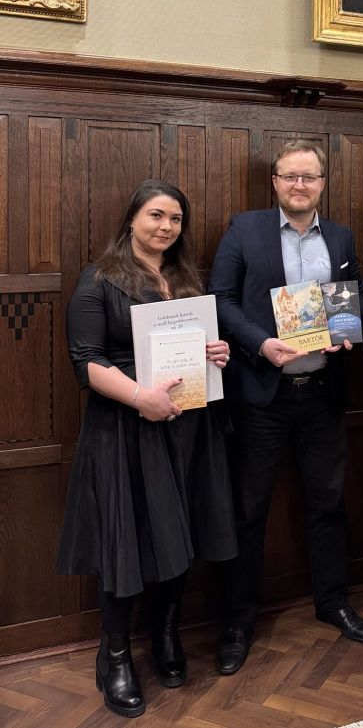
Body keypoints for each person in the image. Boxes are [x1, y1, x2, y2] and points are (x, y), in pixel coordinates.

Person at [57, 180, 237, 719]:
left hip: (190, 427)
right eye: (156, 215)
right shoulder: (99, 279)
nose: (166, 227)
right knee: (128, 540)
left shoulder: (186, 279)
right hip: (128, 430)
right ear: (132, 218)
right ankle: (113, 655)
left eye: (175, 219)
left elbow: (195, 346)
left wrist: (216, 352)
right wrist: (141, 398)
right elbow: (85, 361)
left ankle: (165, 635)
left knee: (181, 532)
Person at [208, 139, 363, 677]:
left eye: (309, 177)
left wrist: (349, 329)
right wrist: (261, 343)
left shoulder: (341, 236)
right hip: (262, 393)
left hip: (322, 392)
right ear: (275, 182)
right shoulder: (245, 229)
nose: (299, 185)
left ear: (322, 183)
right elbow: (221, 299)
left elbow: (352, 296)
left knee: (329, 503)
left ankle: (333, 602)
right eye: (290, 176)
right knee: (249, 510)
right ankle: (239, 622)